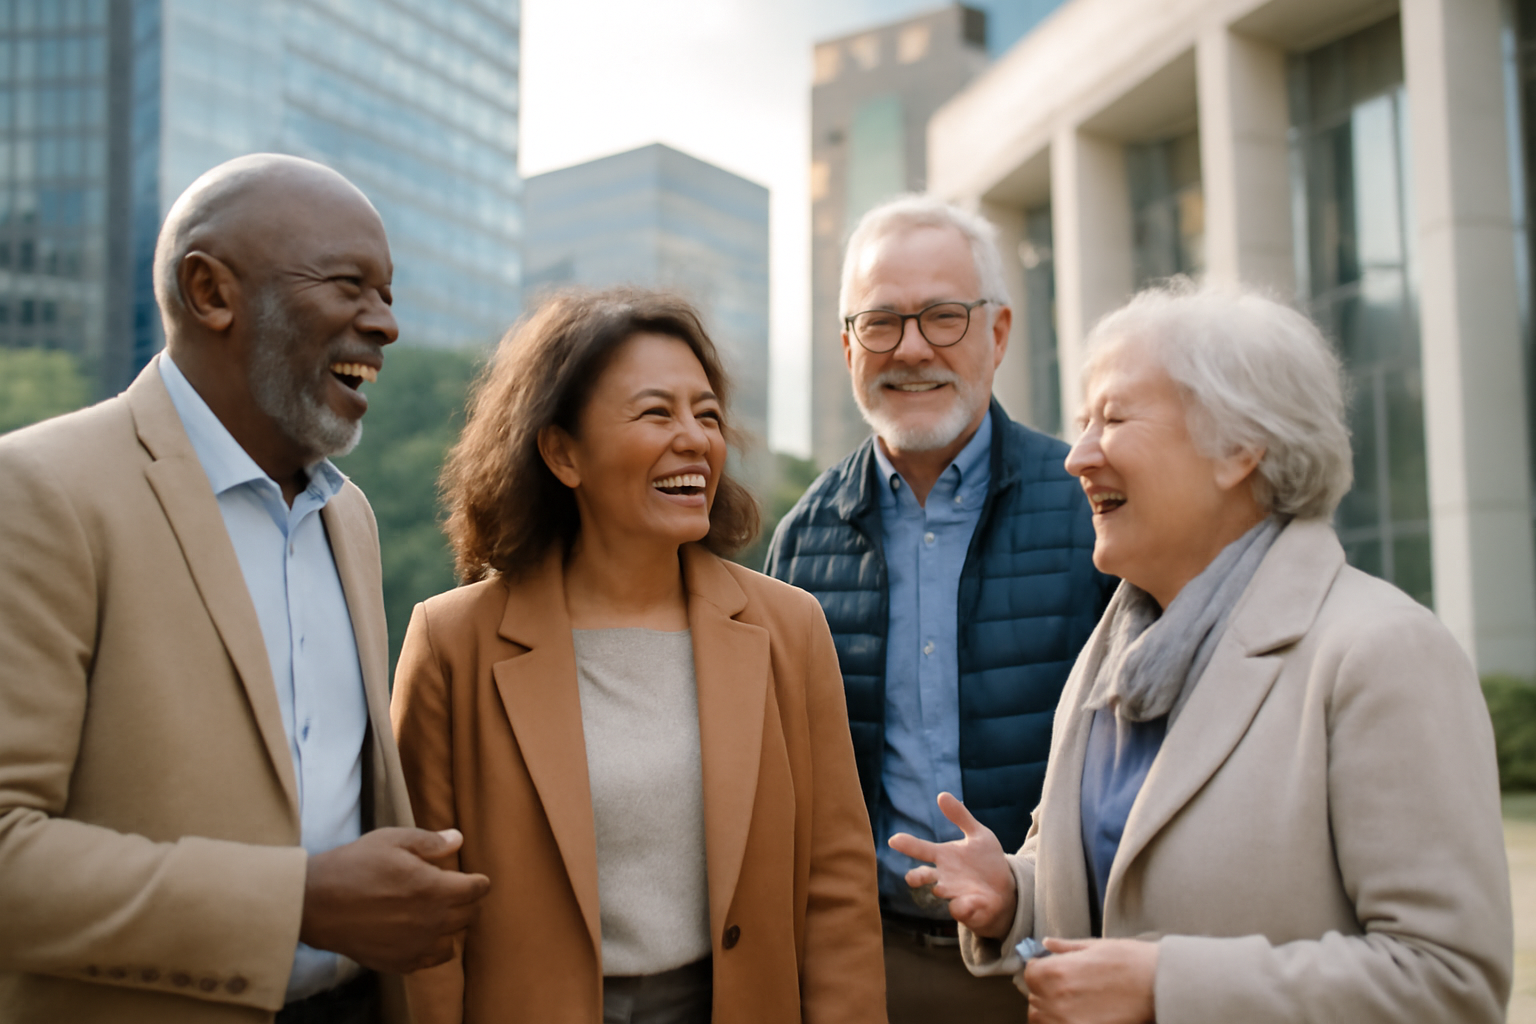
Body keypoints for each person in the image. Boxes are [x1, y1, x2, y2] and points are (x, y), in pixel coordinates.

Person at [891, 280, 1513, 1022]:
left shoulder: (1383, 653)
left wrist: (1166, 988)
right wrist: (1016, 895)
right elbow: (1111, 882)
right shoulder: (1113, 654)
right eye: (1083, 422)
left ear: (1240, 447)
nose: (1076, 456)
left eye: (1113, 419)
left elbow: (1450, 982)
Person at [0, 154, 491, 1024]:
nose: (386, 325)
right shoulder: (38, 491)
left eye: (388, 293)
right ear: (210, 292)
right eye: (351, 285)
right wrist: (299, 900)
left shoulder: (354, 520)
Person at [389, 288, 885, 1024]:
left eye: (707, 414)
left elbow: (836, 889)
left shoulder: (790, 628)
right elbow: (423, 923)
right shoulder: (451, 642)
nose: (695, 439)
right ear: (561, 452)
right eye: (657, 412)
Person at [764, 195, 1114, 1019]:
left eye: (943, 317)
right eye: (880, 322)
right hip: (869, 970)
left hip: (1058, 960)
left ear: (997, 334)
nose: (911, 348)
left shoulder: (1093, 509)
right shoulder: (799, 544)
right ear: (847, 345)